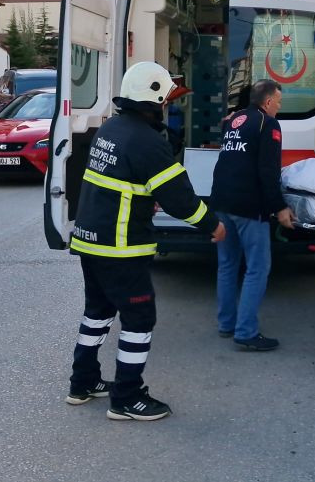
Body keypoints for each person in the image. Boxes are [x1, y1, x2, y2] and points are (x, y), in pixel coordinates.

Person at [66, 61, 226, 421]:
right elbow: (178, 197)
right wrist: (212, 224)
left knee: (98, 312)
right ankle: (127, 397)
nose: (168, 105)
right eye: (166, 98)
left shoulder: (111, 129)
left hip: (90, 240)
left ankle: (83, 382)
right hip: (120, 247)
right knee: (139, 318)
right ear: (153, 98)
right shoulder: (147, 141)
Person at [210, 79, 294, 352]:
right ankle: (246, 332)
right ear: (268, 102)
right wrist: (280, 207)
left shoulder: (234, 120)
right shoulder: (267, 124)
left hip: (222, 200)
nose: (279, 108)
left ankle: (226, 324)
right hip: (248, 205)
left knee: (227, 264)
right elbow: (268, 171)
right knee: (257, 268)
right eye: (278, 102)